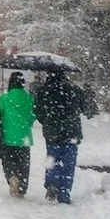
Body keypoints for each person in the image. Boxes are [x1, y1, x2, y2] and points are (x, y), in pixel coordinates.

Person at [34, 70, 99, 204]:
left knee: (52, 159)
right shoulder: (74, 90)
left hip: (52, 133)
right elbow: (88, 108)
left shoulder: (44, 91)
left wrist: (46, 121)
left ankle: (52, 182)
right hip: (71, 133)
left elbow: (37, 111)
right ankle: (64, 193)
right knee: (69, 164)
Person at [0, 72, 37, 198]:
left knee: (8, 161)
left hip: (7, 137)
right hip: (25, 138)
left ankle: (12, 177)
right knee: (24, 164)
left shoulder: (4, 98)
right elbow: (32, 116)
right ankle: (22, 188)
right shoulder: (28, 99)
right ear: (22, 83)